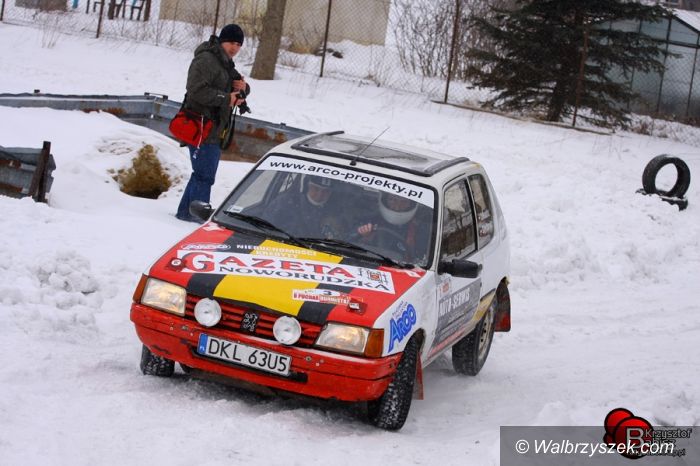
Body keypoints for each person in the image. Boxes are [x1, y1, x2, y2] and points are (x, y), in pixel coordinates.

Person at [176, 23, 250, 223]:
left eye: (238, 44)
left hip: (213, 128)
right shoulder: (207, 60)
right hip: (200, 125)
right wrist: (226, 98)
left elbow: (238, 86)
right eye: (231, 43)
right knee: (205, 176)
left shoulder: (225, 62)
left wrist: (243, 88)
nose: (234, 48)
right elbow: (195, 90)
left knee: (201, 174)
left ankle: (185, 214)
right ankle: (195, 219)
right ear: (221, 41)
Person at [355, 191, 429, 263]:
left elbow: (421, 258)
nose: (397, 206)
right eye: (393, 199)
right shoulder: (369, 220)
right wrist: (365, 236)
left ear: (411, 204)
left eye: (404, 201)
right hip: (369, 261)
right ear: (385, 200)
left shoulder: (420, 229)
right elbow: (352, 245)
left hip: (401, 267)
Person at [265, 175, 342, 238]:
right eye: (316, 189)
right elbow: (265, 227)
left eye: (326, 191)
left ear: (331, 193)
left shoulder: (337, 211)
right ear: (306, 187)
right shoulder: (284, 203)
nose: (320, 195)